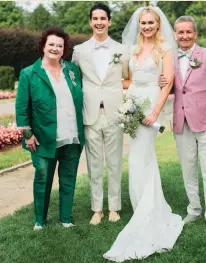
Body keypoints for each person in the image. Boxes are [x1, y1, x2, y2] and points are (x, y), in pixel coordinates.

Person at [103, 7, 184, 262]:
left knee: (143, 158)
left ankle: (149, 213)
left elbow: (168, 82)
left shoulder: (165, 50)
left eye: (151, 22)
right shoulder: (134, 50)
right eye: (143, 23)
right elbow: (128, 80)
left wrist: (156, 112)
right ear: (139, 25)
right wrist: (128, 96)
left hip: (150, 107)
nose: (147, 26)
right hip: (133, 105)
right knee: (135, 159)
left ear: (158, 24)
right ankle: (141, 208)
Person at [15, 27, 85, 230]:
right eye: (51, 44)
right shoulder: (29, 73)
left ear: (65, 49)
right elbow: (21, 106)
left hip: (72, 134)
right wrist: (27, 134)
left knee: (68, 177)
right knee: (43, 178)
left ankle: (66, 218)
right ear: (43, 47)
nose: (55, 48)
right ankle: (40, 220)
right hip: (43, 137)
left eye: (60, 45)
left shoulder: (72, 71)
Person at [72, 3, 129, 225]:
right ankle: (97, 208)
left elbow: (126, 76)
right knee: (94, 163)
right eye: (95, 18)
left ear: (109, 22)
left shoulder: (122, 50)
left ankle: (114, 207)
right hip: (90, 114)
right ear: (90, 22)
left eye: (103, 18)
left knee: (114, 162)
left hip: (115, 113)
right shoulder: (80, 51)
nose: (99, 22)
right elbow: (76, 79)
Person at [173, 16, 206, 233]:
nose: (184, 36)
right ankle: (194, 209)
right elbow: (172, 88)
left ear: (195, 34)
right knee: (188, 170)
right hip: (181, 123)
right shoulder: (170, 57)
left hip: (205, 123)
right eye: (180, 32)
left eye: (188, 32)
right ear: (175, 34)